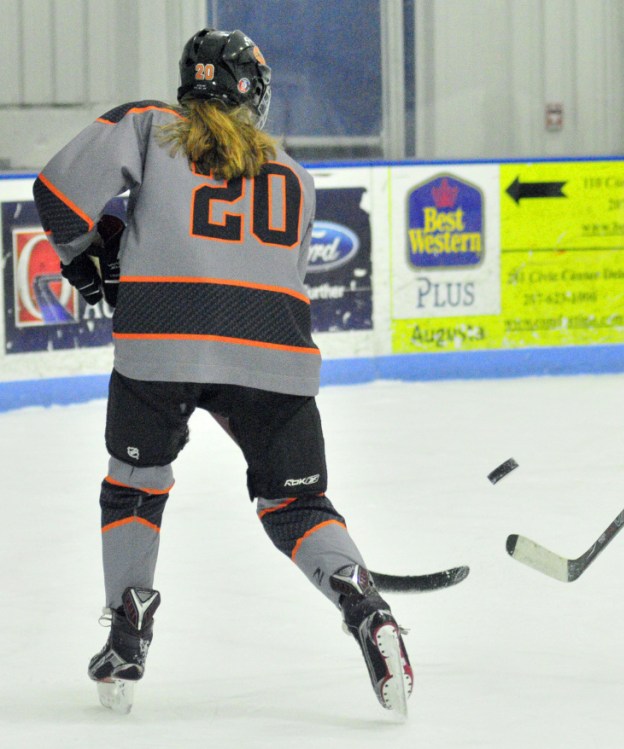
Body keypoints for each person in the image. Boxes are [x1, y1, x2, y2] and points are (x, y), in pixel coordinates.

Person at [33, 28, 412, 716]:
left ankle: (128, 628)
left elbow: (58, 195)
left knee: (135, 487)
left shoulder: (152, 126)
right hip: (274, 354)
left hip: (161, 348)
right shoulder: (295, 175)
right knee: (296, 503)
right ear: (252, 93)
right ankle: (365, 604)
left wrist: (88, 257)